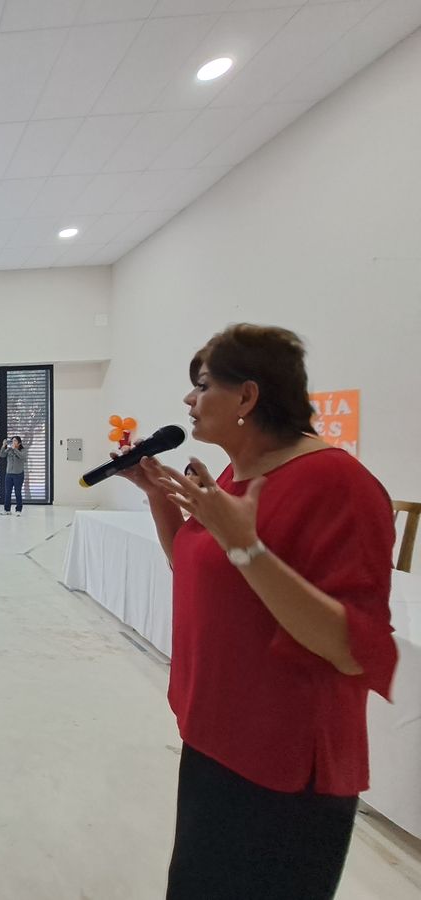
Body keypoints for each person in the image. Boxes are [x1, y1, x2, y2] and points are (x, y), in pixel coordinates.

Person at [115, 324, 397, 900]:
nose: (188, 402)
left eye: (201, 386)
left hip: (284, 765)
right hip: (216, 736)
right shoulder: (234, 475)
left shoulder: (337, 483)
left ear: (247, 396)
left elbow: (353, 648)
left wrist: (246, 547)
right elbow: (197, 574)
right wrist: (156, 499)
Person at [0, 436, 27, 516]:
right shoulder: (9, 450)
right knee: (8, 492)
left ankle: (18, 510)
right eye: (12, 441)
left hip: (18, 474)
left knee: (17, 492)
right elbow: (2, 455)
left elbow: (22, 457)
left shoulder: (23, 450)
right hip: (9, 474)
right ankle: (7, 510)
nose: (13, 442)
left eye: (15, 441)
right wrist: (3, 445)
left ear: (19, 443)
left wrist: (15, 449)